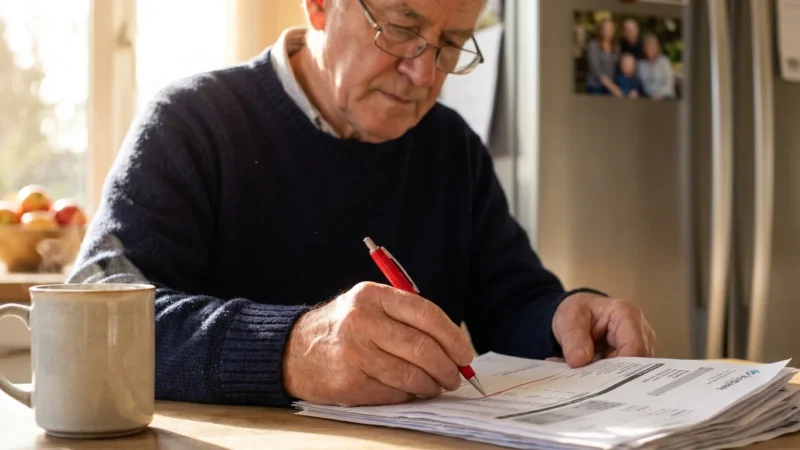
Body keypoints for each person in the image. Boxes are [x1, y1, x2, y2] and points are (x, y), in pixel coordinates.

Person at [69, 0, 656, 408]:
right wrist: (292, 351)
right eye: (402, 28)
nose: (424, 72)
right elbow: (92, 323)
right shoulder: (192, 124)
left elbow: (514, 299)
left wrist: (566, 315)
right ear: (320, 7)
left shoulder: (452, 148)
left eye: (450, 45)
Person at [585, 19, 622, 96]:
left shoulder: (617, 46)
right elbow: (597, 71)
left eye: (611, 29)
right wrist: (612, 87)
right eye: (606, 29)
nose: (609, 32)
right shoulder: (593, 45)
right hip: (596, 85)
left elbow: (618, 67)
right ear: (601, 30)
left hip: (612, 85)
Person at [637, 33, 675, 99]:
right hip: (649, 97)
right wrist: (652, 94)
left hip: (666, 96)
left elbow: (669, 84)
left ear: (656, 47)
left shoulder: (664, 62)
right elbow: (643, 85)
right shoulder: (640, 64)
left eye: (652, 47)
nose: (649, 49)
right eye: (647, 47)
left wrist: (660, 94)